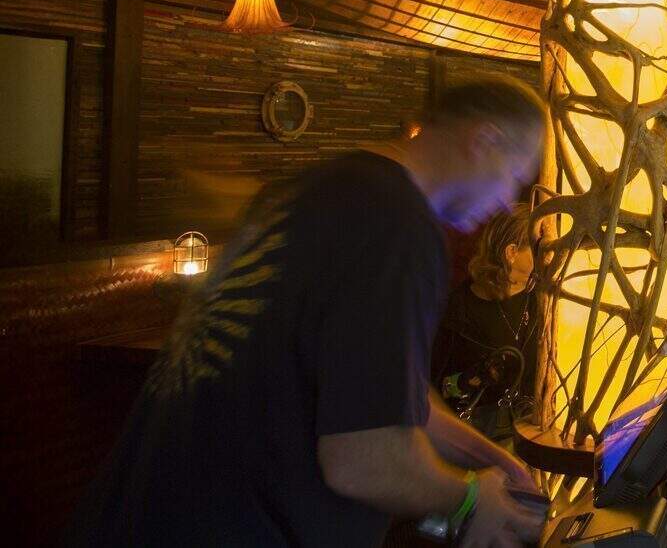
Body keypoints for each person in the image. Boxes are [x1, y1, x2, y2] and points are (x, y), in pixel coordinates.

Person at [71, 76, 548, 547]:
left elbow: (378, 386)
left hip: (136, 517)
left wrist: (489, 458)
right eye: (514, 176)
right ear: (484, 140)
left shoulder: (309, 190)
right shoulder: (398, 226)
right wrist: (468, 499)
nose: (507, 201)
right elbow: (363, 460)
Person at [432, 206, 538, 442]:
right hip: (479, 442)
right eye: (537, 247)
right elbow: (438, 389)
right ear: (511, 252)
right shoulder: (458, 310)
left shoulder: (542, 300)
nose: (548, 255)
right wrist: (470, 379)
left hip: (532, 439)